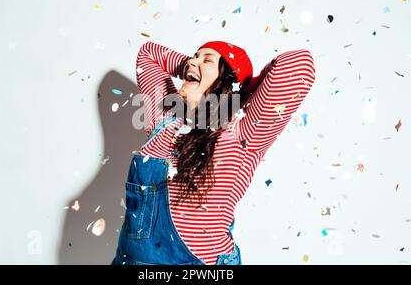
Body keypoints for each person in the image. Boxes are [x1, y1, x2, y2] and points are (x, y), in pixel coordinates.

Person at [111, 40, 316, 265]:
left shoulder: (243, 131)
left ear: (227, 81)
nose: (193, 60)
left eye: (207, 59)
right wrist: (193, 68)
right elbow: (148, 54)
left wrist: (246, 84)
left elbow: (300, 65)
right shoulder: (166, 114)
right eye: (194, 55)